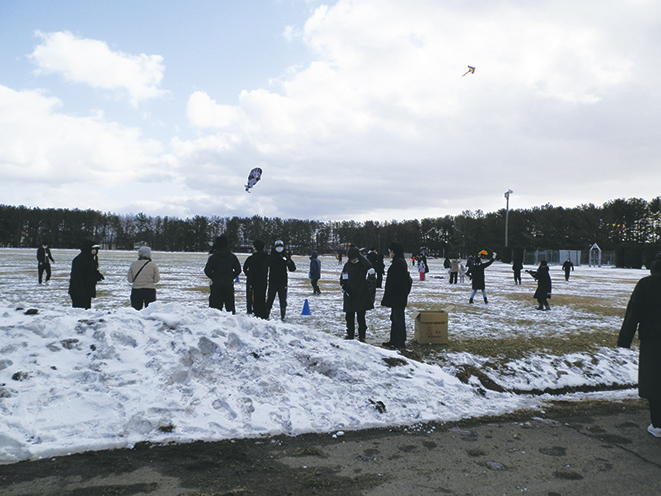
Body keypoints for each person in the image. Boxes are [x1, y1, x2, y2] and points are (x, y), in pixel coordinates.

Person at [618, 250, 661, 438]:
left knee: (653, 381)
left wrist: (624, 340)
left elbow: (633, 312)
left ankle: (657, 424)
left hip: (652, 339)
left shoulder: (646, 284)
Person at [381, 241, 412, 349]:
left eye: (390, 251)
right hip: (398, 296)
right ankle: (394, 340)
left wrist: (391, 293)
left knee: (398, 319)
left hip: (398, 296)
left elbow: (396, 282)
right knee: (395, 318)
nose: (390, 253)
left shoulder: (398, 263)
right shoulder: (399, 262)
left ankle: (400, 341)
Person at [340, 247, 374, 342]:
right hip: (349, 294)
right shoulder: (347, 265)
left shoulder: (362, 264)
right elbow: (343, 277)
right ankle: (350, 333)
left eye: (355, 258)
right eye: (351, 258)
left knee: (361, 317)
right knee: (349, 316)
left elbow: (369, 266)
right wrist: (344, 286)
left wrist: (360, 256)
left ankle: (362, 335)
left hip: (361, 293)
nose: (353, 260)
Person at [204, 236, 241, 313]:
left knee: (215, 308)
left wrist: (214, 277)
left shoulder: (213, 257)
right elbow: (238, 270)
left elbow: (207, 271)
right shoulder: (232, 257)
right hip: (228, 283)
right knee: (230, 307)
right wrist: (231, 277)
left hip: (217, 283)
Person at [68, 241, 104, 309]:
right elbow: (77, 277)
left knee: (87, 309)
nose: (95, 252)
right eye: (93, 250)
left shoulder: (91, 259)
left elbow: (90, 271)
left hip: (87, 290)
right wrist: (80, 292)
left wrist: (97, 275)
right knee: (80, 310)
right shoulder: (79, 260)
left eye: (96, 250)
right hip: (79, 291)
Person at [266, 240, 296, 320]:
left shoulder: (285, 256)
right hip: (273, 281)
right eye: (278, 247)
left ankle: (283, 316)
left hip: (282, 282)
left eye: (281, 247)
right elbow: (269, 263)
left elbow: (292, 268)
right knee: (270, 300)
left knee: (283, 301)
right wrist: (279, 259)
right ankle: (266, 315)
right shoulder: (271, 256)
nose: (279, 248)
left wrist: (288, 260)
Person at [243, 240, 269, 318]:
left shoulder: (253, 258)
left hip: (254, 282)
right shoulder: (266, 257)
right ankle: (263, 314)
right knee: (262, 298)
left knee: (254, 299)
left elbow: (246, 269)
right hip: (263, 281)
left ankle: (256, 313)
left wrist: (250, 278)